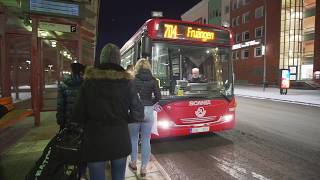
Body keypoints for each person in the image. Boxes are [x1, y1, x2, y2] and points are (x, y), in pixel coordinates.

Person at [72, 43, 144, 180]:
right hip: (119, 139)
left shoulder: (89, 81)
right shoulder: (127, 82)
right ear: (118, 60)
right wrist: (124, 119)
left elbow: (77, 114)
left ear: (101, 59)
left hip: (95, 141)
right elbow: (139, 113)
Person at [128, 58, 161, 177]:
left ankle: (133, 162)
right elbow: (158, 96)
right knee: (146, 139)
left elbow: (128, 96)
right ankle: (144, 168)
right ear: (149, 67)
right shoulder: (153, 80)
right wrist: (149, 103)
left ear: (137, 67)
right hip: (148, 111)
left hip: (134, 111)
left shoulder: (132, 80)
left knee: (133, 138)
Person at [56, 62, 85, 129]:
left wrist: (60, 120)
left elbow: (60, 105)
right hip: (81, 121)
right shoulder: (86, 84)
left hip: (67, 120)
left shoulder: (63, 84)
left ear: (71, 71)